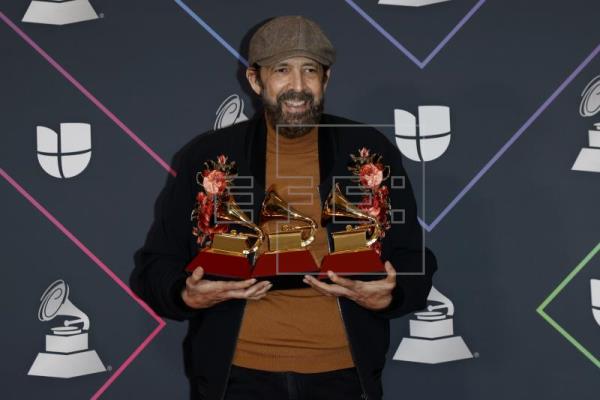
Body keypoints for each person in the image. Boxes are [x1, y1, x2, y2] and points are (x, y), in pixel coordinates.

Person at [130, 15, 437, 400]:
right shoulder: (208, 156)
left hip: (344, 374)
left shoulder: (369, 149)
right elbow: (157, 264)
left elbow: (411, 258)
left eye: (310, 71)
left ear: (326, 79)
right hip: (236, 375)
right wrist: (185, 295)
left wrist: (391, 295)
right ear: (255, 80)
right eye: (281, 70)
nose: (297, 87)